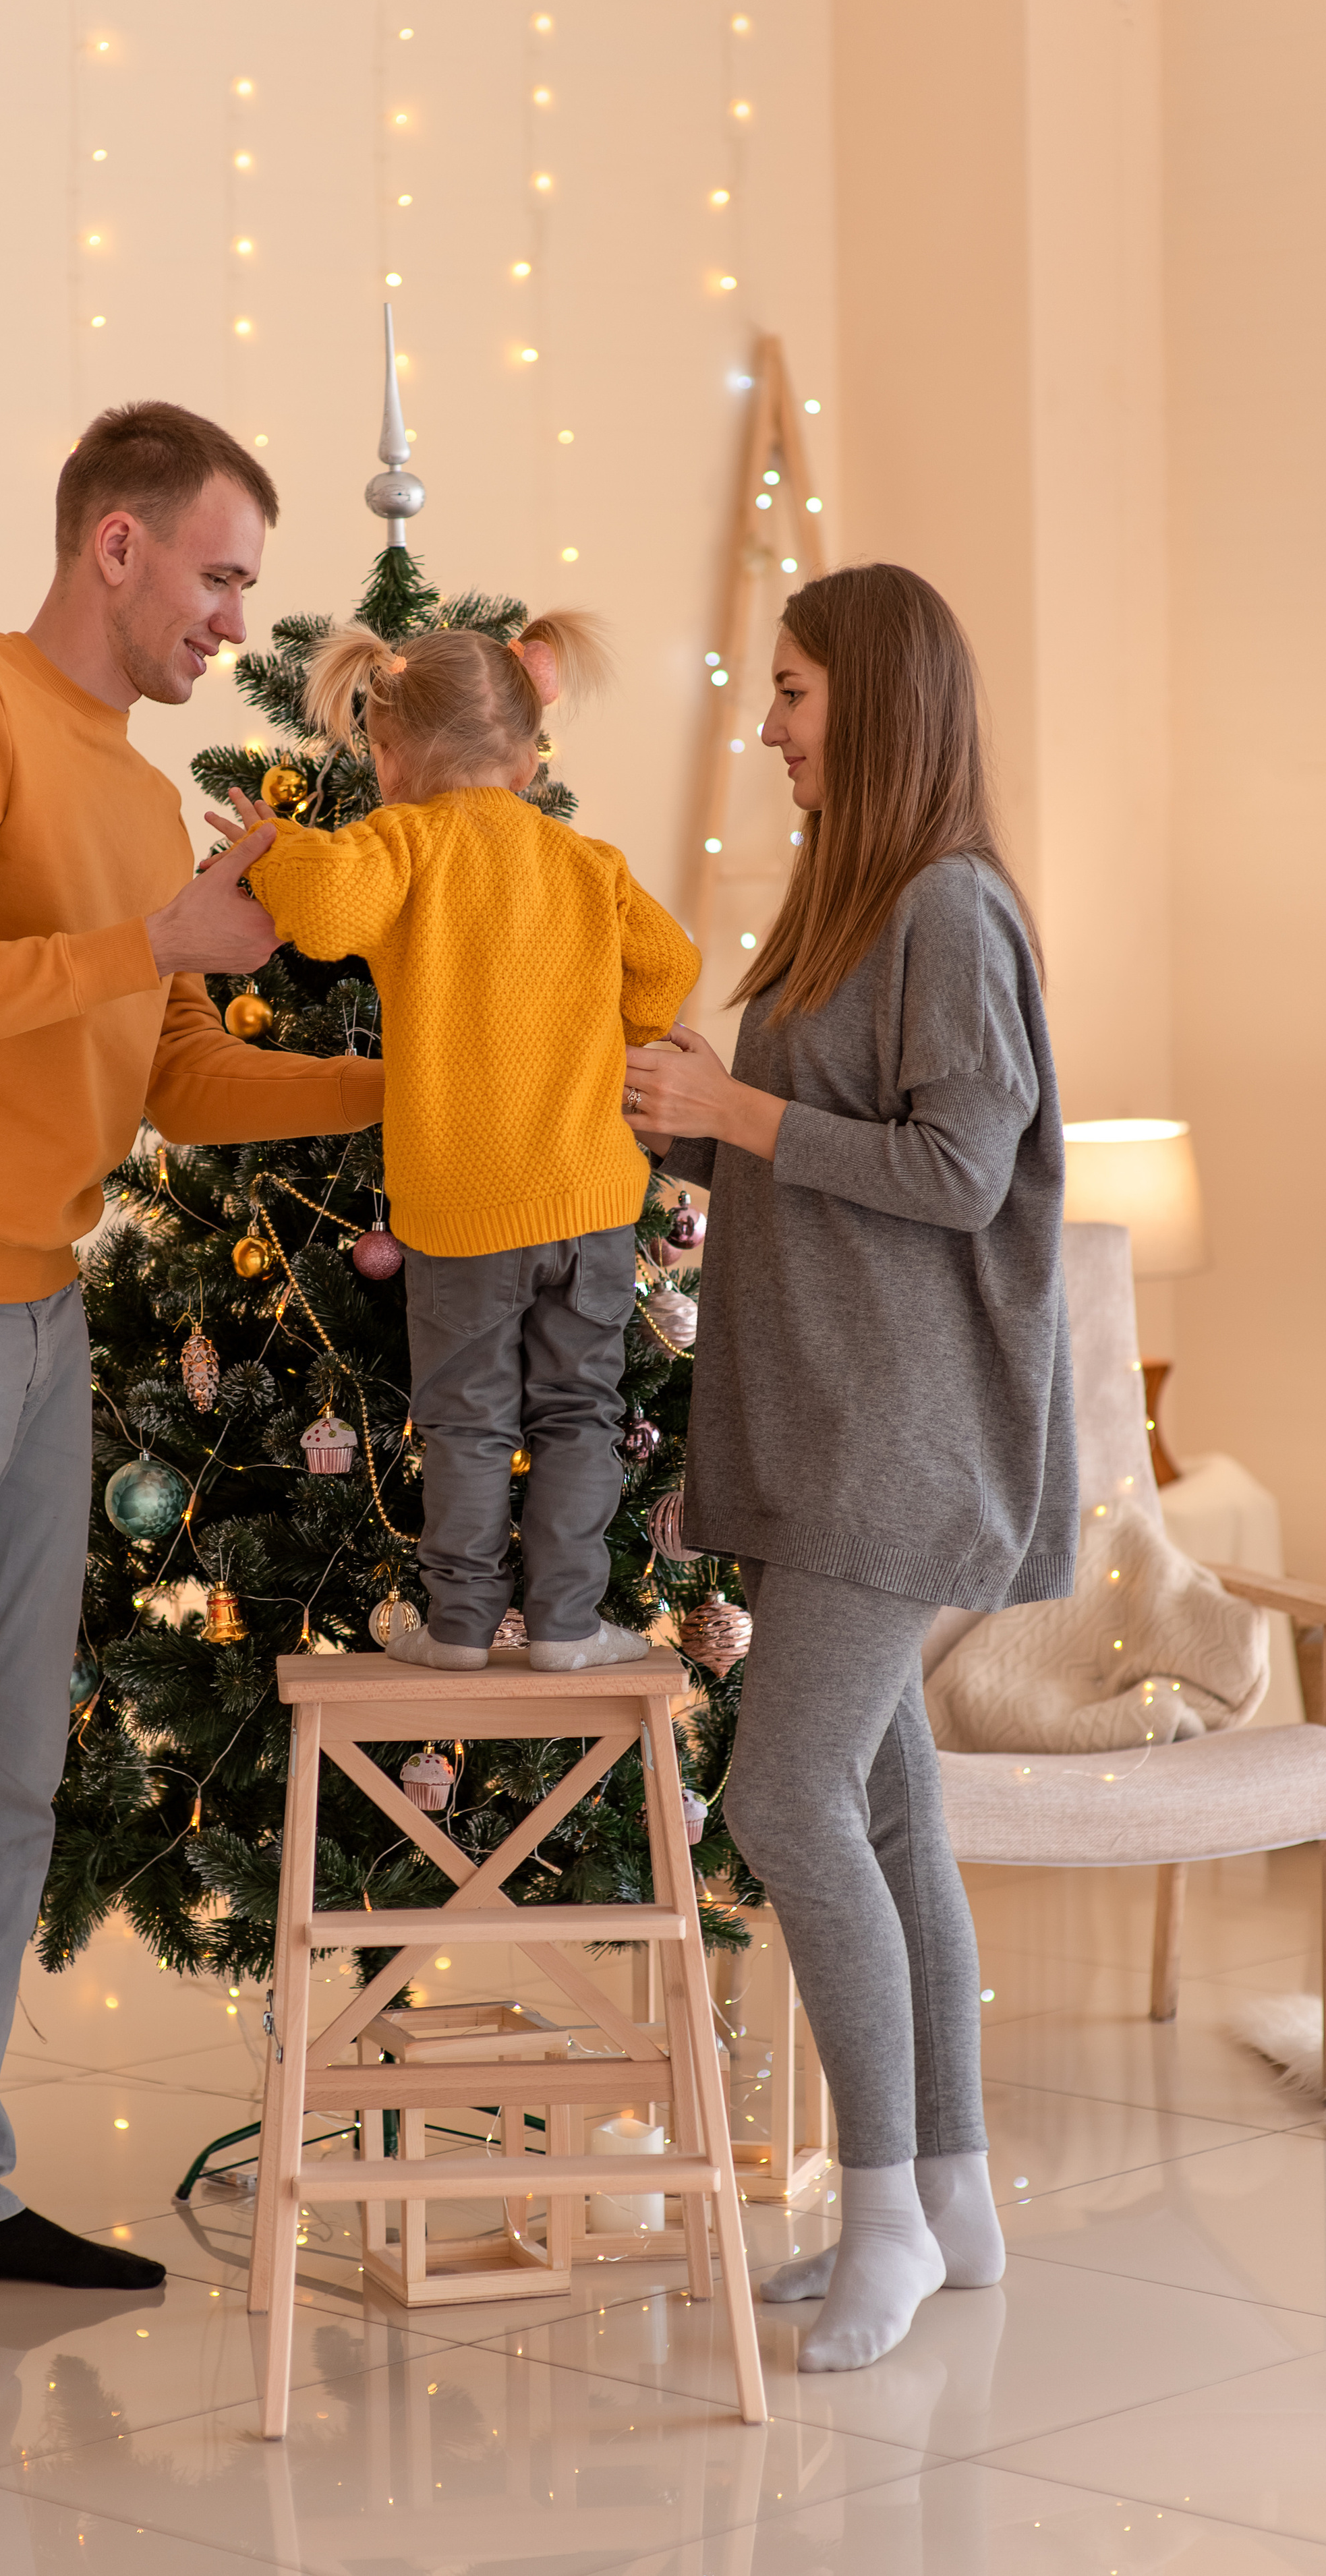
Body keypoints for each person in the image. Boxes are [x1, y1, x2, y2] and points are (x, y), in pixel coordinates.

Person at [0, 402, 384, 2387]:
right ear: (114, 545)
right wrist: (144, 936)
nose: (230, 618)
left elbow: (178, 1075)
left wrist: (410, 1091)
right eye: (215, 574)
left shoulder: (142, 790)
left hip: (37, 1329)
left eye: (245, 590)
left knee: (16, 1767)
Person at [624, 562, 1076, 2372]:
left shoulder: (951, 913)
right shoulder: (845, 905)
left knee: (782, 1799)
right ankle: (946, 2195)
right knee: (889, 1808)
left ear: (873, 702)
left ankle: (877, 2204)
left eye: (795, 691)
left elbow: (962, 1173)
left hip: (901, 1446)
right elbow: (839, 1166)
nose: (769, 723)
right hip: (829, 1424)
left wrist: (736, 1113)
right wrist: (697, 1135)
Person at [210, 613, 697, 1670]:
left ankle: (463, 1627)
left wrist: (277, 847)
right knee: (580, 1411)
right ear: (527, 754)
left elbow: (327, 916)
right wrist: (618, 1034)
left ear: (388, 755)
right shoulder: (585, 859)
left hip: (464, 1207)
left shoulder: (402, 843)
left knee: (470, 1423)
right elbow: (667, 965)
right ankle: (569, 1624)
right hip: (593, 1203)